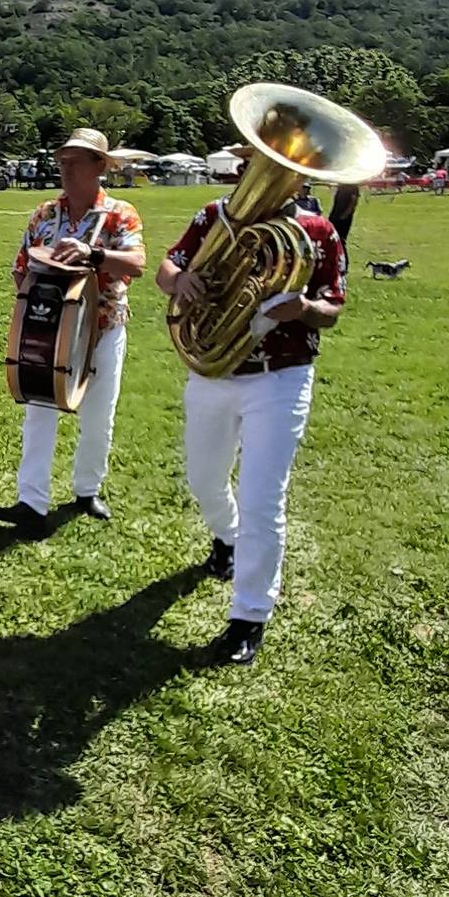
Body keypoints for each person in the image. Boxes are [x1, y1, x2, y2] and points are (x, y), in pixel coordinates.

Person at [154, 184, 349, 666]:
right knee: (204, 480)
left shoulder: (317, 231)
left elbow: (333, 306)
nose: (253, 174)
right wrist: (180, 282)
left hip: (280, 377)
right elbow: (167, 267)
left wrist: (303, 309)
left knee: (262, 499)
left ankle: (249, 614)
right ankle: (226, 538)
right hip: (214, 370)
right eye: (249, 165)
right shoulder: (213, 217)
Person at [0, 129, 145, 537]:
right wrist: (31, 305)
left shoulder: (119, 213)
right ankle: (31, 502)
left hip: (102, 327)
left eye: (76, 161)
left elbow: (137, 262)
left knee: (98, 415)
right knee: (38, 409)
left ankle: (87, 489)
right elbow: (21, 265)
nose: (67, 168)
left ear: (100, 167)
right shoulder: (44, 214)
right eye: (63, 161)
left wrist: (93, 255)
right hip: (49, 327)